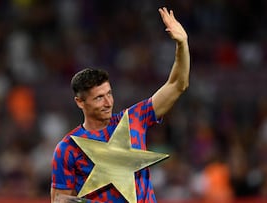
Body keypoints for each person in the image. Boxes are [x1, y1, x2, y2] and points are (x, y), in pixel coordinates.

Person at [51, 7, 190, 203]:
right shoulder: (68, 148)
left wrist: (182, 44)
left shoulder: (133, 119)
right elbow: (59, 200)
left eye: (109, 94)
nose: (108, 103)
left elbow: (177, 85)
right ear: (79, 102)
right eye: (99, 98)